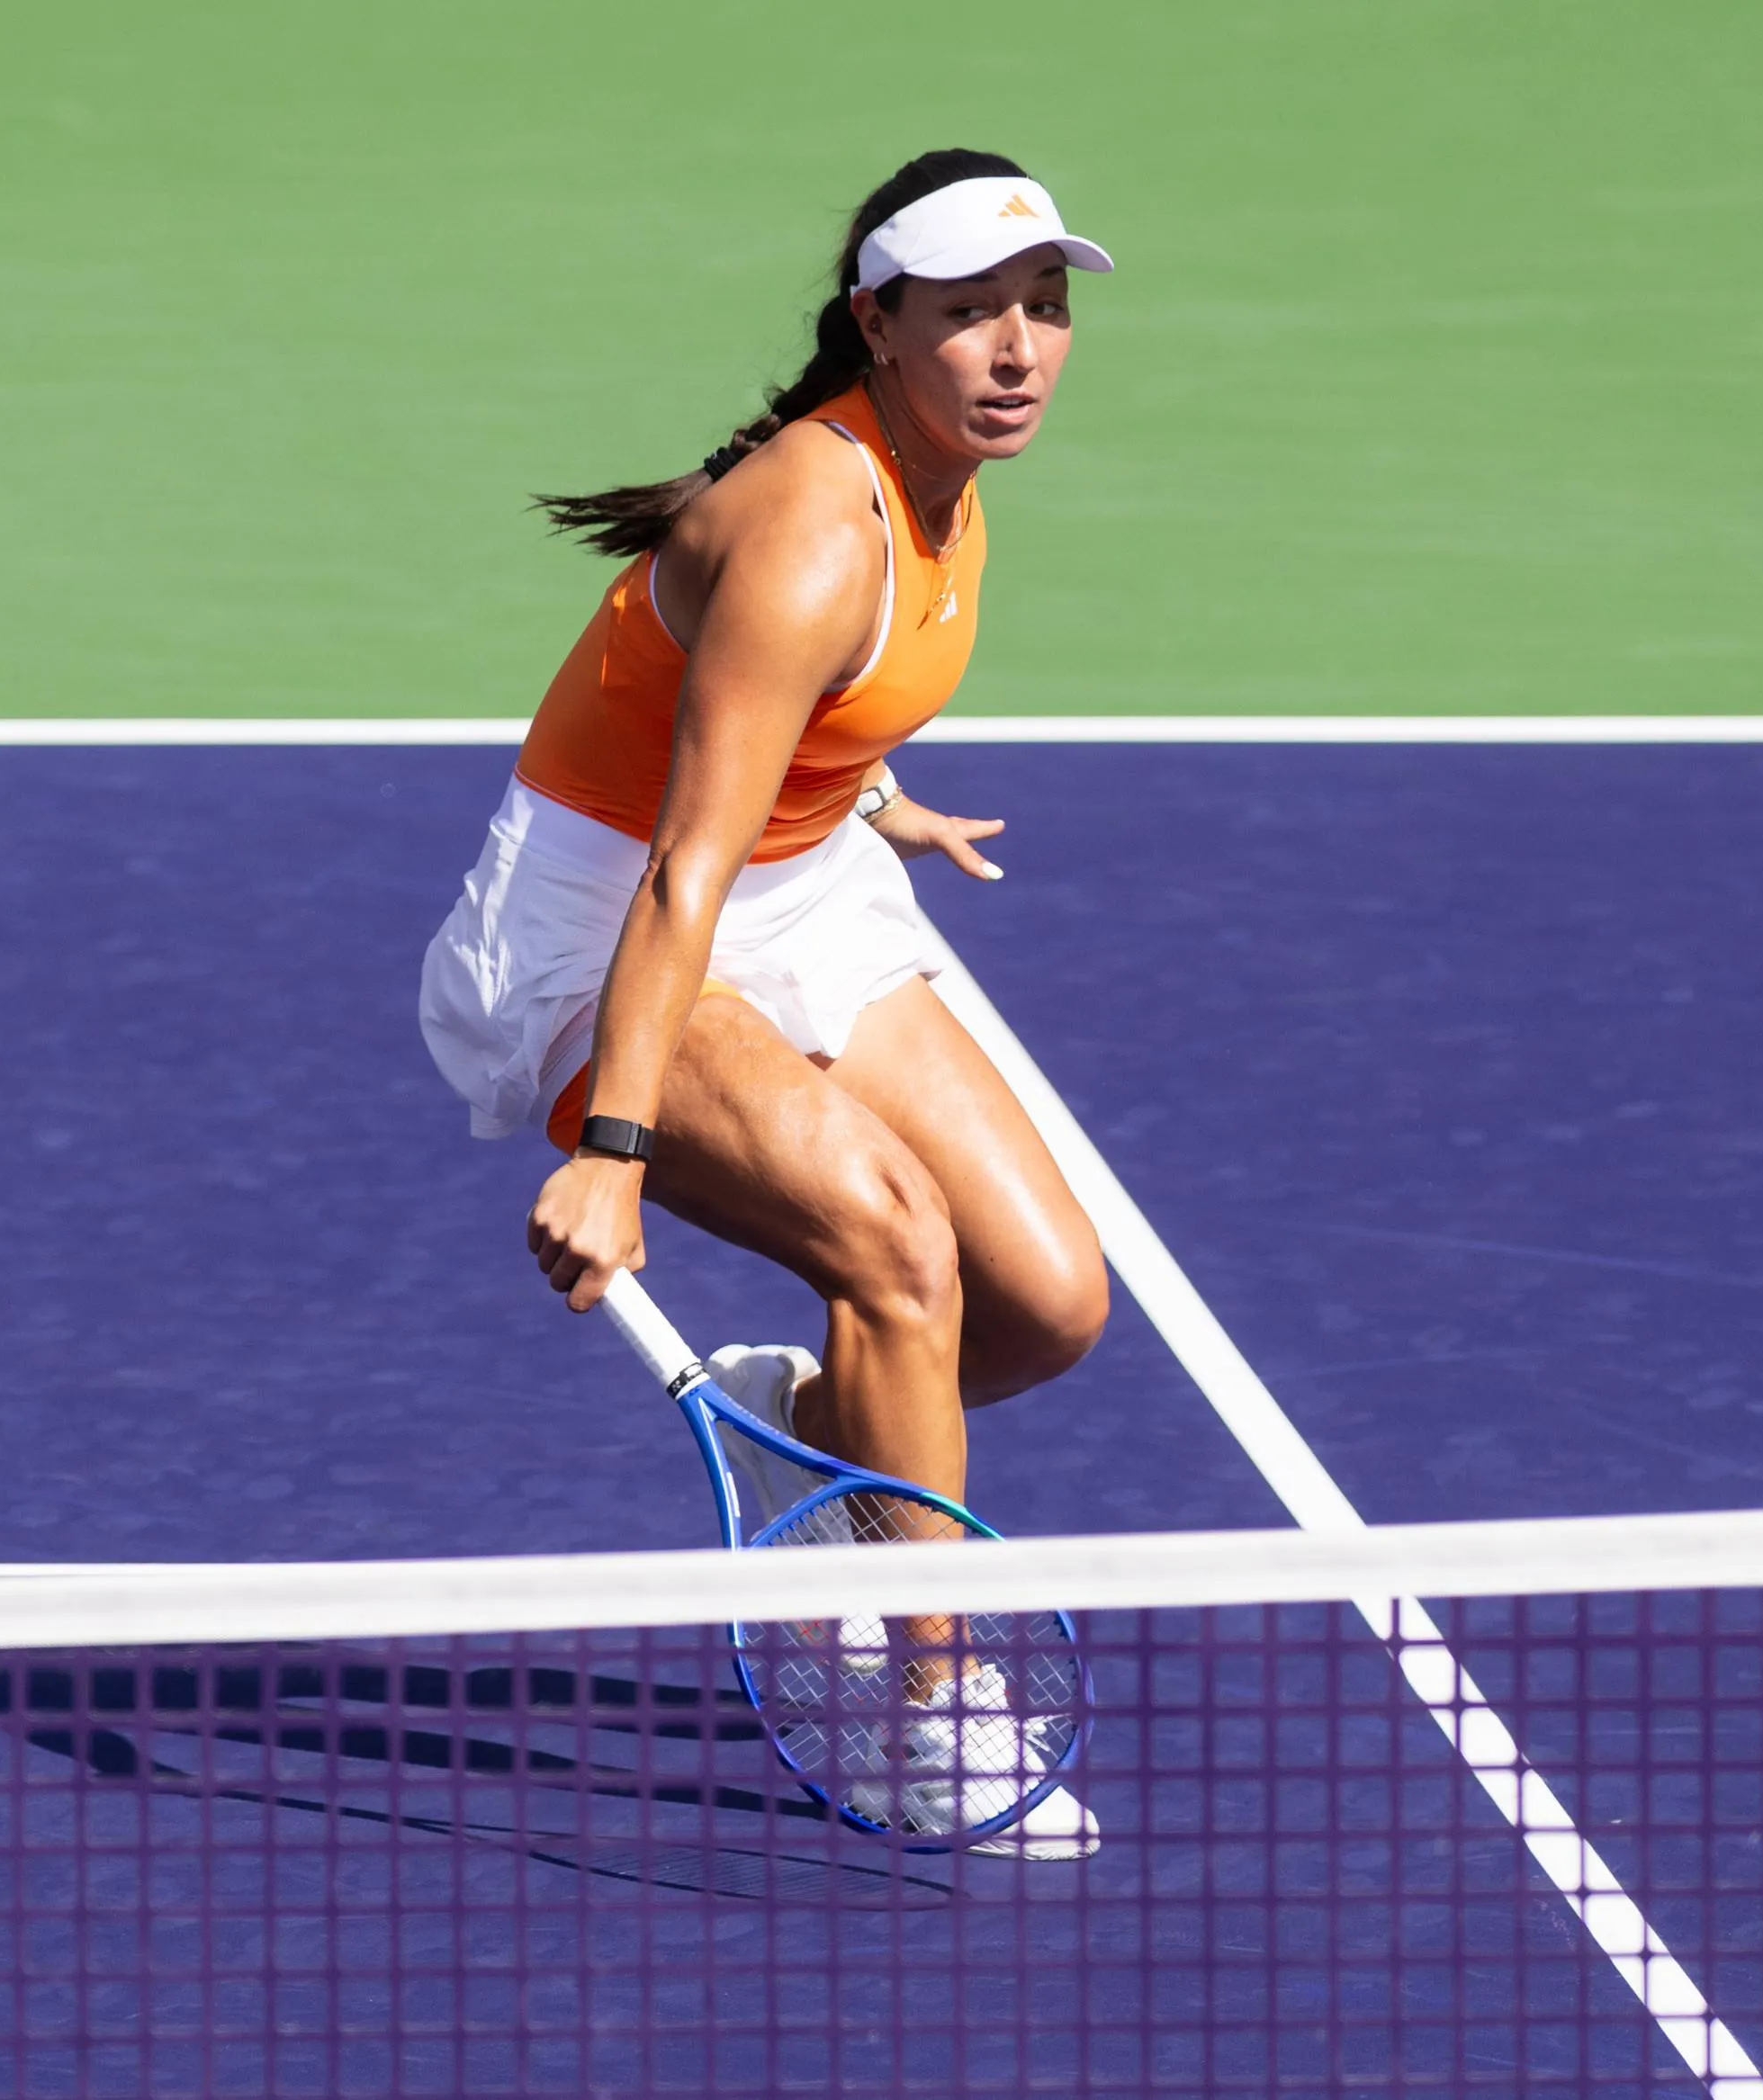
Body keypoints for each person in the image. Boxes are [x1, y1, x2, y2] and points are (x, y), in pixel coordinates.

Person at [418, 149, 1115, 1853]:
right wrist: (618, 1149)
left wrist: (873, 791)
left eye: (1044, 307)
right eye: (969, 316)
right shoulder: (818, 526)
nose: (1017, 348)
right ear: (879, 327)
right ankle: (932, 1699)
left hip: (802, 887)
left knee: (1049, 1304)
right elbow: (678, 868)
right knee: (896, 1250)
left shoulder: (947, 478)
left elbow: (787, 711)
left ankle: (813, 1427)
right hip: (613, 930)